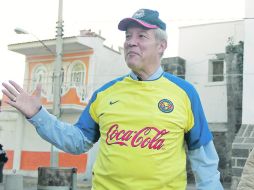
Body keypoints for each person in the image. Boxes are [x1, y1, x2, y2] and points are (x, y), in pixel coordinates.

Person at [2, 8, 223, 190]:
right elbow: (78, 141)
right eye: (128, 36)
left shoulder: (184, 93)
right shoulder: (105, 93)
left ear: (161, 46)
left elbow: (203, 159)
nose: (130, 42)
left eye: (141, 36)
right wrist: (38, 115)